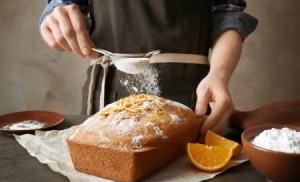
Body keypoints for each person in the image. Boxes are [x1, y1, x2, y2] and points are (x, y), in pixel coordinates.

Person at [39, 0, 258, 137]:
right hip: (106, 94)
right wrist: (55, 16)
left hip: (193, 96)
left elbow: (228, 14)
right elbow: (62, 5)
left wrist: (219, 76)